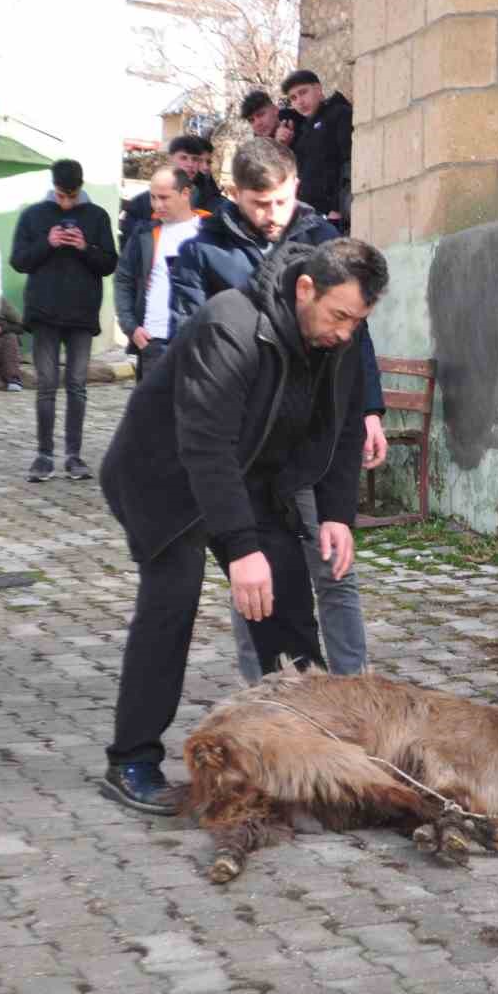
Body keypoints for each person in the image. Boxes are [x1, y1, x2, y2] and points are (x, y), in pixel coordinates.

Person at [97, 237, 386, 813]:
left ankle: (310, 751)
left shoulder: (336, 337)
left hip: (250, 477)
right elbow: (205, 445)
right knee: (171, 604)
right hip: (166, 480)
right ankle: (131, 759)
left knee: (289, 607)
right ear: (306, 288)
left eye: (358, 321)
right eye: (340, 317)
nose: (347, 332)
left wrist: (335, 514)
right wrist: (239, 546)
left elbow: (345, 424)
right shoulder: (230, 323)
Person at [169, 137, 389, 680]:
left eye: (282, 202)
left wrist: (368, 410)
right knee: (256, 573)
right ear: (234, 194)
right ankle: (264, 688)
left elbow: (353, 338)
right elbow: (194, 351)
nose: (272, 216)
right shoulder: (204, 251)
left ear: (296, 188)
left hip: (317, 429)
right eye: (258, 204)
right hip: (251, 445)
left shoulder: (325, 240)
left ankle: (352, 686)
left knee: (335, 565)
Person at [9, 158, 118, 483]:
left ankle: (74, 455)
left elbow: (109, 263)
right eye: (61, 195)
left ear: (80, 188)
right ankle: (44, 455)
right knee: (46, 385)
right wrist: (48, 242)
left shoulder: (96, 216)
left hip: (82, 314)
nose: (66, 202)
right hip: (44, 314)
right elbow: (19, 261)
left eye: (71, 195)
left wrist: (86, 247)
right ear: (53, 187)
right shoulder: (34, 215)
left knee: (77, 385)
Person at [115, 166, 205, 381]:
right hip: (153, 341)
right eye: (153, 198)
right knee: (151, 414)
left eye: (164, 197)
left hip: (197, 342)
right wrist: (131, 327)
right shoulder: (144, 233)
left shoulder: (208, 231)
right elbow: (124, 278)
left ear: (185, 193)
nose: (157, 205)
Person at [118, 135, 224, 251]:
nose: (190, 164)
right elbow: (128, 247)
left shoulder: (213, 202)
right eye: (184, 158)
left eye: (195, 159)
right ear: (170, 158)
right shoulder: (140, 203)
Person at [281, 69, 353, 230]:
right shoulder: (302, 130)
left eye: (303, 92)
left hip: (335, 217)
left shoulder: (339, 114)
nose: (299, 101)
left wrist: (337, 207)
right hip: (309, 218)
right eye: (293, 98)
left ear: (318, 90)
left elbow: (348, 162)